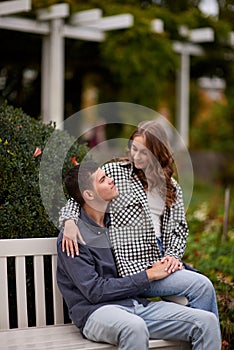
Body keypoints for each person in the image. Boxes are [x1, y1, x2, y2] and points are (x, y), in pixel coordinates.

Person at [59, 121, 219, 318]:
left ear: (158, 152)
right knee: (202, 286)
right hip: (135, 268)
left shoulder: (171, 187)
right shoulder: (116, 172)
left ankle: (200, 336)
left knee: (202, 287)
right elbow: (84, 194)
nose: (136, 156)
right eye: (134, 148)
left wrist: (172, 257)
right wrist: (68, 221)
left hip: (162, 258)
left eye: (144, 152)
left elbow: (178, 229)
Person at [57, 161, 221, 350]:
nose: (112, 180)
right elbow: (95, 291)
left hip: (135, 304)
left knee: (206, 322)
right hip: (96, 312)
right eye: (103, 179)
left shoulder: (117, 221)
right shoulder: (73, 237)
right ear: (89, 195)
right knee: (134, 327)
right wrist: (149, 275)